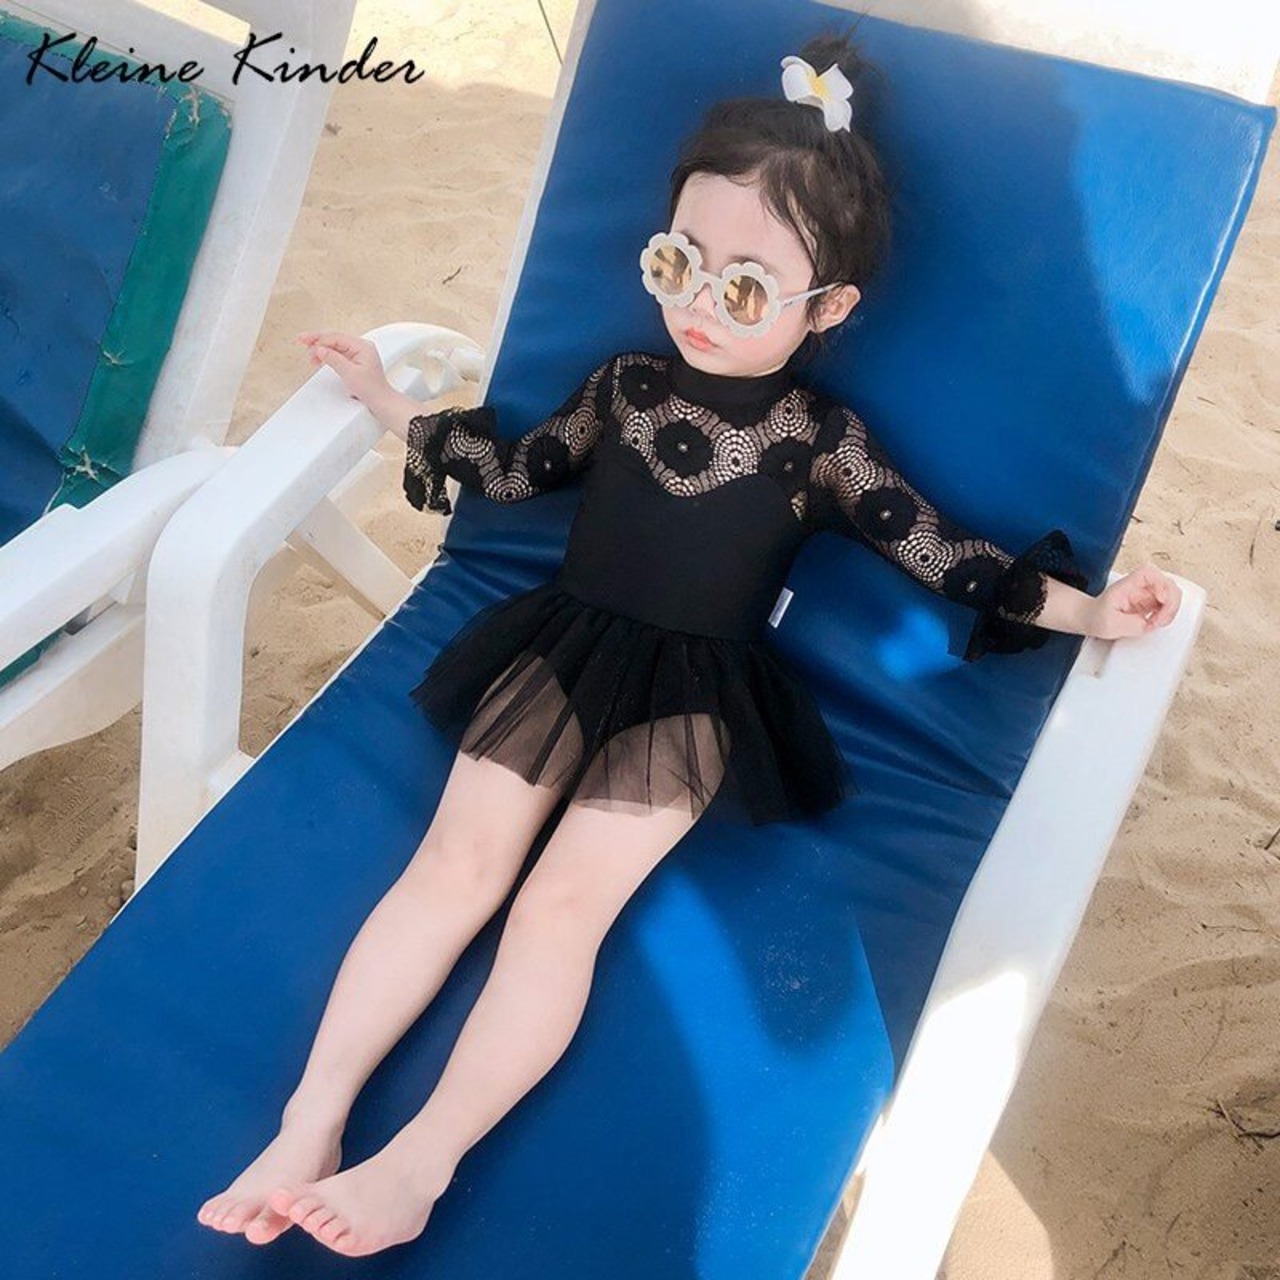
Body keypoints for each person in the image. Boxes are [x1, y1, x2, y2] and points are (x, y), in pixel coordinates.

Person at [196, 29, 1182, 1258]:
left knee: (558, 910)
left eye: (747, 287)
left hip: (691, 697)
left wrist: (1088, 611)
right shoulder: (624, 385)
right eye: (677, 260)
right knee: (450, 865)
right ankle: (308, 1120)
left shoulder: (817, 440)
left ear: (829, 306)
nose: (698, 305)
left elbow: (940, 552)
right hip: (558, 652)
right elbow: (514, 468)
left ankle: (419, 1161)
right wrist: (396, 405)